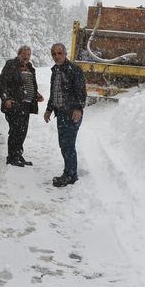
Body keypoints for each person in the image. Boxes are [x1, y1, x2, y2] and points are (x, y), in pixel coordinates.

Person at [43, 43, 86, 187]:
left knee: (68, 145)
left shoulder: (74, 70)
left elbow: (81, 92)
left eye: (59, 53)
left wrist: (78, 109)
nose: (56, 56)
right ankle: (69, 172)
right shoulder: (55, 70)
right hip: (60, 113)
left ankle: (71, 175)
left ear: (65, 53)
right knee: (64, 144)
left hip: (72, 113)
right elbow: (54, 93)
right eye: (54, 54)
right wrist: (49, 109)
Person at [0, 45, 43, 167]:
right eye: (24, 54)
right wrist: (6, 98)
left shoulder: (30, 68)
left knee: (22, 132)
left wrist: (36, 94)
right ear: (19, 54)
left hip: (26, 105)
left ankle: (18, 155)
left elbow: (30, 84)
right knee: (15, 131)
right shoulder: (11, 65)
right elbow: (2, 83)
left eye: (28, 54)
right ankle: (12, 157)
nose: (26, 57)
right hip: (15, 104)